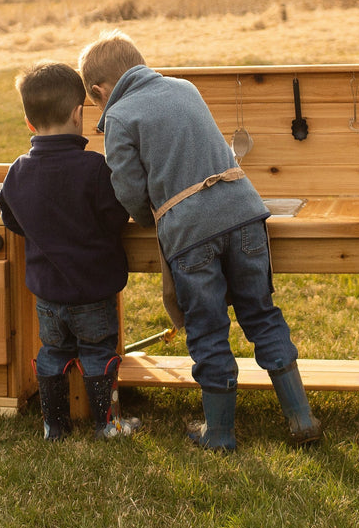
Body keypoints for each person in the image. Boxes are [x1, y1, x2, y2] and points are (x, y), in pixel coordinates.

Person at [78, 30, 321, 452]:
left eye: (95, 102)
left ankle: (220, 433)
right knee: (262, 315)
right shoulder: (184, 88)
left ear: (100, 91)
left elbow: (129, 188)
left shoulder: (118, 116)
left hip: (190, 231)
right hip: (245, 213)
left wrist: (142, 217)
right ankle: (301, 417)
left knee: (208, 330)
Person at [0, 60, 139, 441]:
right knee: (97, 353)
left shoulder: (18, 171)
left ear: (29, 123)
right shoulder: (96, 169)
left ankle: (53, 427)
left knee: (52, 354)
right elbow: (115, 218)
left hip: (48, 296)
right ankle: (106, 424)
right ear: (79, 114)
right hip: (93, 293)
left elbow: (9, 216)